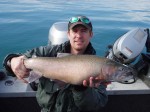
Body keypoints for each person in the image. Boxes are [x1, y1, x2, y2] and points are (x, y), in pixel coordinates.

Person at [3, 15, 108, 112]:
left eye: (84, 31)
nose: (79, 35)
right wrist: (11, 61)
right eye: (74, 31)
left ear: (91, 34)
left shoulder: (99, 66)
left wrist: (82, 89)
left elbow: (95, 105)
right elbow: (21, 58)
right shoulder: (48, 52)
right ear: (68, 34)